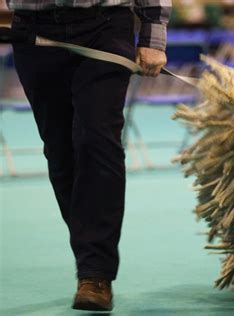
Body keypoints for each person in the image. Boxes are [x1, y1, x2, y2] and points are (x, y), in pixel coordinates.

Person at [6, 0, 171, 311]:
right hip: (33, 29)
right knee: (60, 152)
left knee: (97, 140)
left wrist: (152, 33)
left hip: (105, 24)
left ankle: (95, 274)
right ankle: (90, 255)